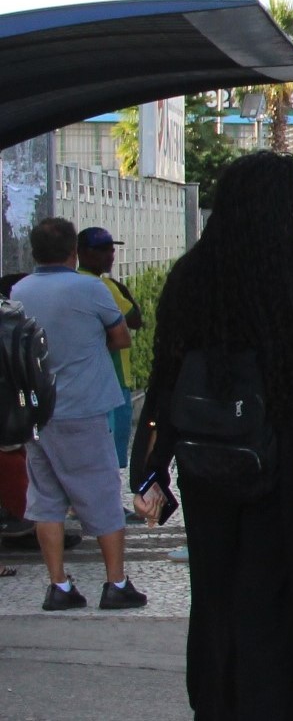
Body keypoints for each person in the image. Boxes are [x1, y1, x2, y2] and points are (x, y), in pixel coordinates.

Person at [131, 152, 293, 718]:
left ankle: (216, 706)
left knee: (215, 601)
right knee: (273, 604)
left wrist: (150, 465)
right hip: (276, 462)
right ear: (277, 210)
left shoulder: (189, 274)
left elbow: (165, 372)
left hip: (204, 465)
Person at [12, 217, 143, 611]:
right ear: (73, 252)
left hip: (37, 413)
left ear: (33, 252)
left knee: (46, 500)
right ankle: (116, 583)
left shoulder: (20, 290)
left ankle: (59, 586)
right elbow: (121, 337)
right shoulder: (89, 288)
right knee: (101, 492)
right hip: (83, 408)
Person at [76, 227, 143, 491]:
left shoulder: (75, 282)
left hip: (93, 380)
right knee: (111, 451)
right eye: (103, 249)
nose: (111, 255)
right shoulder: (103, 286)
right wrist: (122, 288)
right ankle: (110, 504)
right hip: (113, 378)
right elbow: (135, 319)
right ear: (82, 253)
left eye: (111, 248)